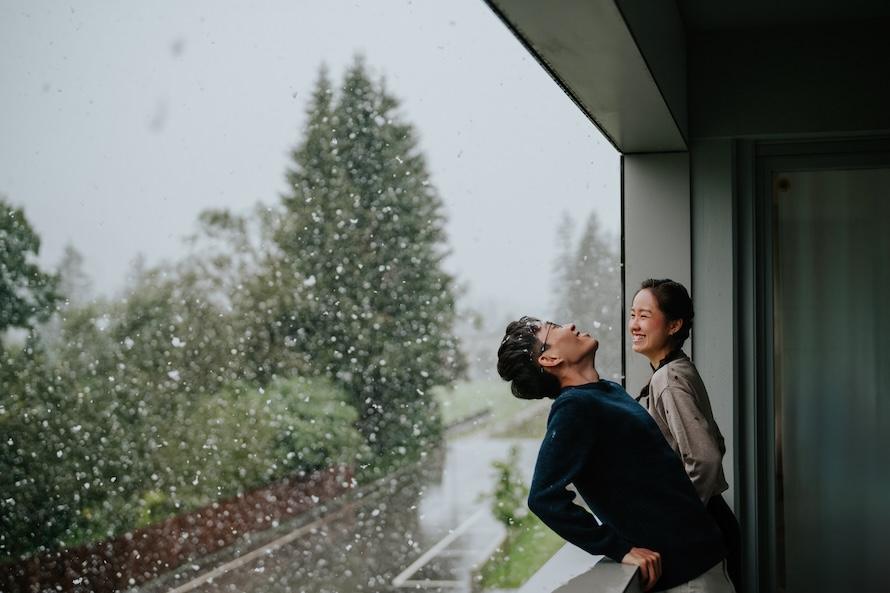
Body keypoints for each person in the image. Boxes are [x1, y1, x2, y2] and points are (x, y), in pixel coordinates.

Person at [497, 317, 734, 592]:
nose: (570, 326)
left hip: (702, 558)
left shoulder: (607, 391)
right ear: (549, 358)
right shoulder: (574, 408)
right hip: (685, 577)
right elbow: (542, 497)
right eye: (554, 326)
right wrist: (619, 548)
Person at [629, 279, 742, 591]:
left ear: (674, 324)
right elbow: (713, 443)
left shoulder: (669, 378)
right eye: (632, 314)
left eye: (645, 316)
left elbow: (705, 458)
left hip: (701, 526)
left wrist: (674, 519)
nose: (634, 325)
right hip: (709, 520)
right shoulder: (675, 369)